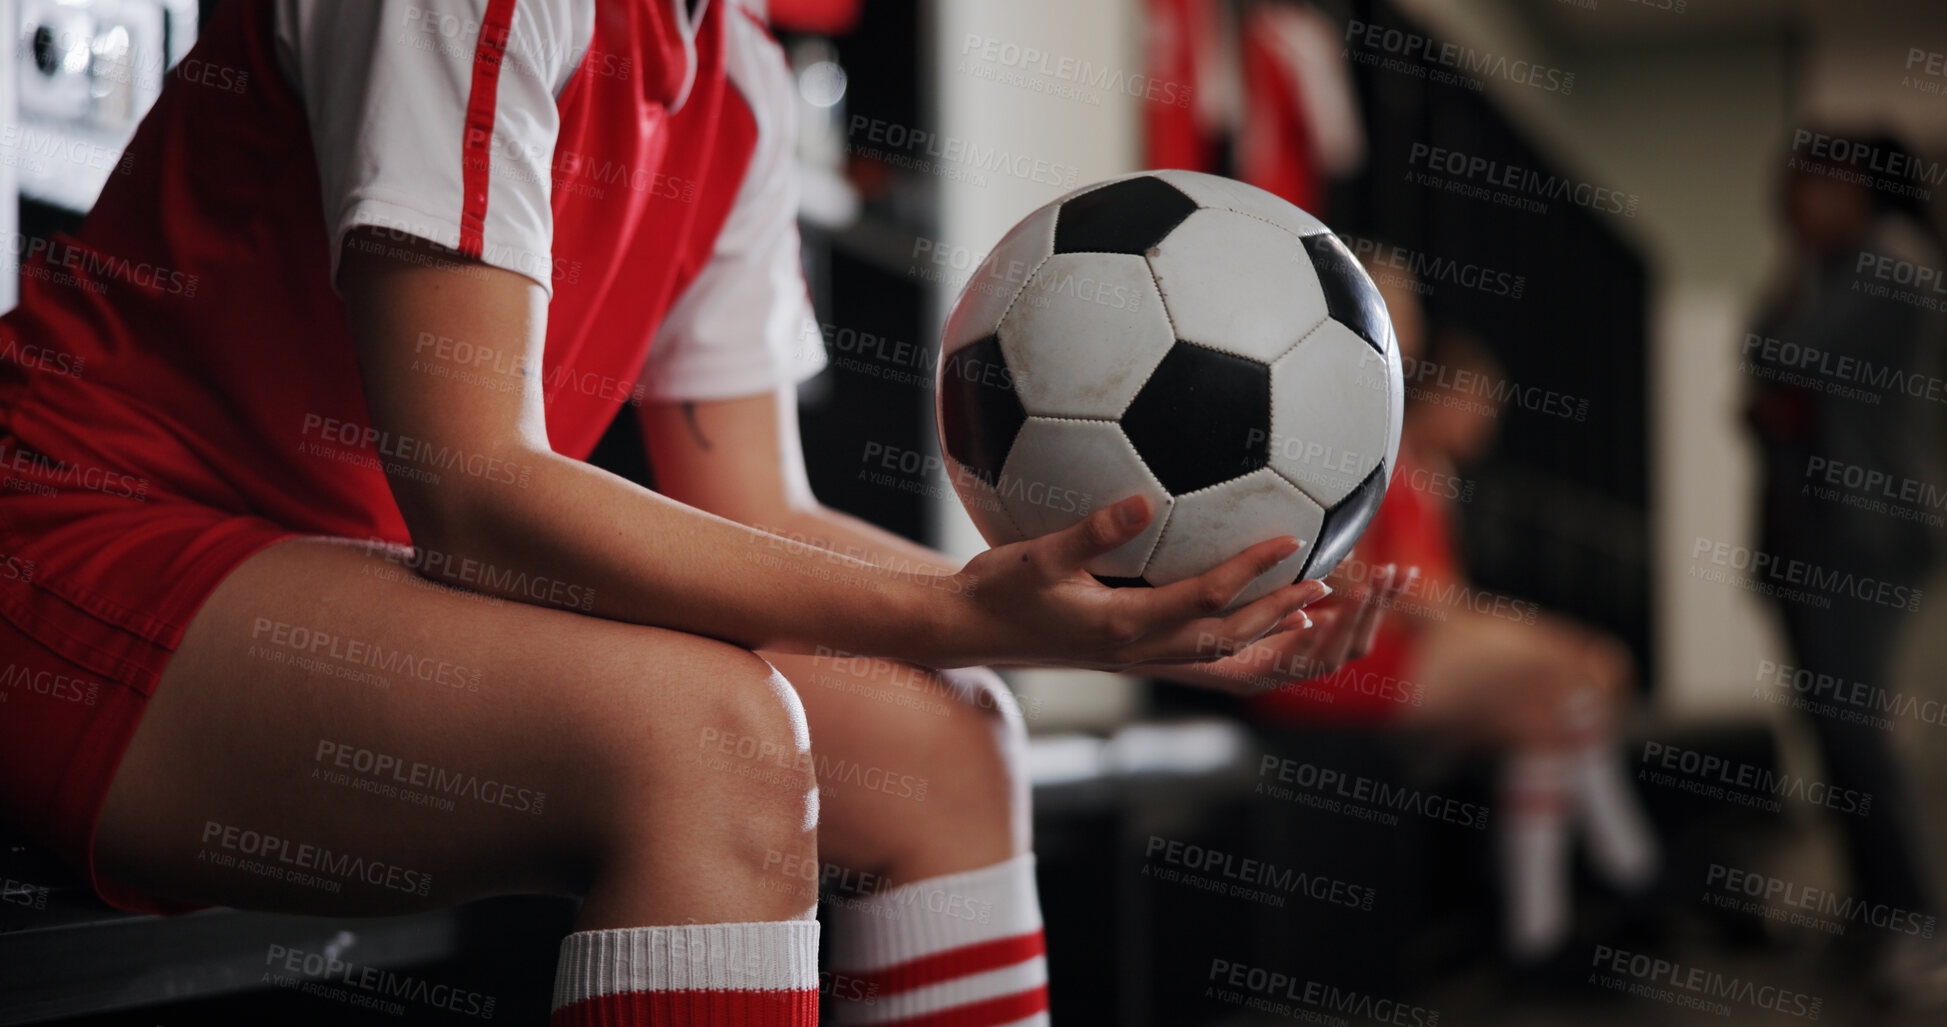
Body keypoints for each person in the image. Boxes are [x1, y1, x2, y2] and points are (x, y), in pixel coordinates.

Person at [0, 2, 1402, 1024]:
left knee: (953, 732)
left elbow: (754, 507)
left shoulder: (729, 72)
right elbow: (478, 497)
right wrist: (965, 607)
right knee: (708, 740)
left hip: (343, 583)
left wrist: (1098, 621)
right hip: (79, 553)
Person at [1251, 265, 1658, 966]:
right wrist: (1550, 638)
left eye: (1405, 310)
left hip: (1381, 641)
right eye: (1385, 305)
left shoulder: (1395, 444)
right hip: (1345, 652)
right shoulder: (1331, 425)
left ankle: (1544, 933)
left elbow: (1426, 595)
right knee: (1568, 675)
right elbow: (1407, 596)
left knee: (1546, 715)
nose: (1400, 325)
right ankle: (1629, 883)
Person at [1744, 126, 1947, 1006]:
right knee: (1831, 730)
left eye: (1814, 183)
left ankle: (1917, 923)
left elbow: (1778, 357)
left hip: (1865, 538)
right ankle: (1875, 919)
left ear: (1859, 187)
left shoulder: (1890, 262)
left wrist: (1773, 370)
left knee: (1859, 733)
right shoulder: (1824, 266)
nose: (1796, 200)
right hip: (1807, 535)